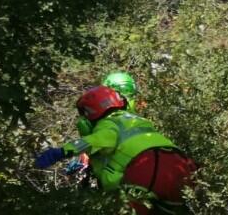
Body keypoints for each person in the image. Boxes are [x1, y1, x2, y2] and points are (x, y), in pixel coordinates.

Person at [35, 85, 197, 214]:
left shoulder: (108, 123)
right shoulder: (138, 120)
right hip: (181, 165)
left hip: (145, 169)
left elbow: (95, 141)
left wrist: (61, 152)